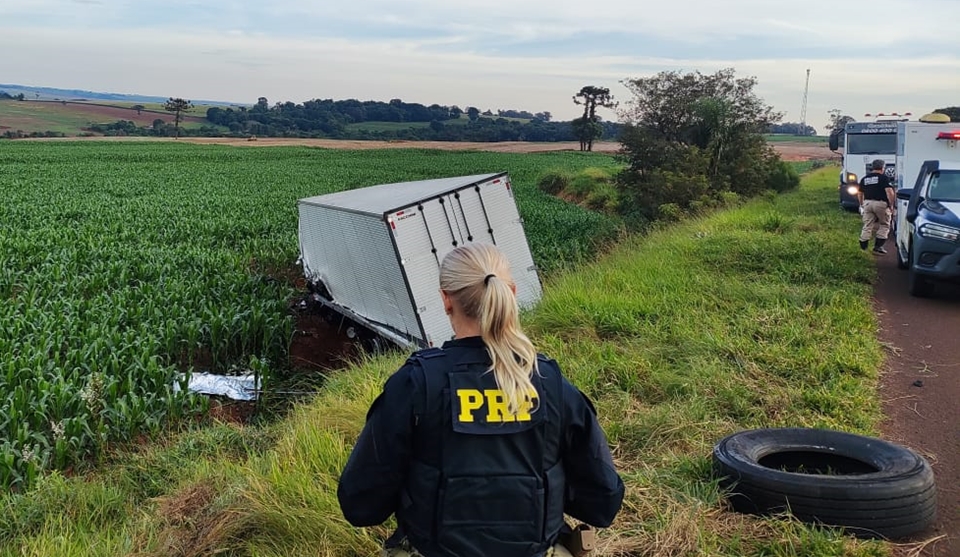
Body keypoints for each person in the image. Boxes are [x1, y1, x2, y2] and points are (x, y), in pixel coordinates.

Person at [337, 242, 625, 557]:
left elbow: (360, 505)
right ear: (511, 293)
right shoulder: (550, 385)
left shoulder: (415, 384)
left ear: (446, 299)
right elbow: (604, 502)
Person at [857, 159, 896, 254]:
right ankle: (878, 247)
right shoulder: (883, 178)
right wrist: (891, 205)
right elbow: (889, 192)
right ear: (883, 167)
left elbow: (860, 193)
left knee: (867, 225)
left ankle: (863, 248)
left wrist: (862, 204)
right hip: (881, 204)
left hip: (867, 203)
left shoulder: (865, 178)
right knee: (884, 224)